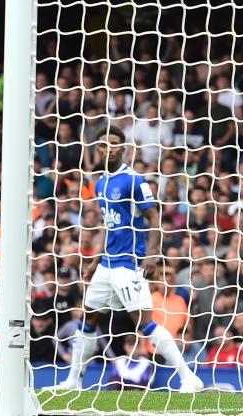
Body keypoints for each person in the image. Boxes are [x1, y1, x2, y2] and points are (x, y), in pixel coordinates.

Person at [47, 127, 202, 393]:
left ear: (123, 148)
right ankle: (74, 381)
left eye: (114, 143)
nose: (108, 148)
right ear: (98, 149)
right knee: (87, 319)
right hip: (106, 264)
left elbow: (154, 217)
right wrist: (96, 259)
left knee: (145, 324)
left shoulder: (134, 180)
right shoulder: (100, 183)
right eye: (103, 144)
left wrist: (152, 254)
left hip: (129, 264)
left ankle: (189, 378)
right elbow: (109, 225)